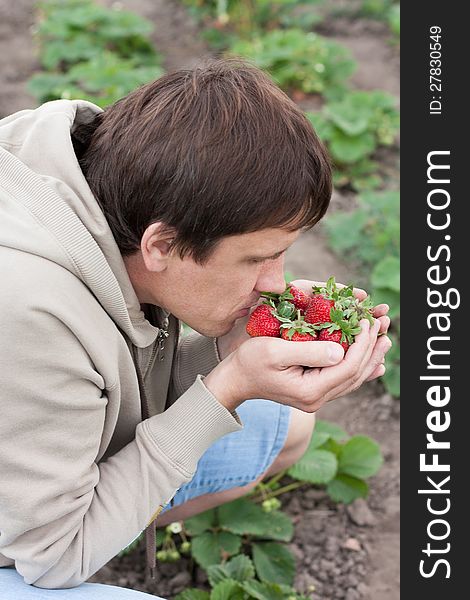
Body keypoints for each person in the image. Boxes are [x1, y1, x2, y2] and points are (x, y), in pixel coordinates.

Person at [0, 58, 391, 597]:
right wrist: (228, 387)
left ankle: (103, 526)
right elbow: (49, 557)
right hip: (36, 544)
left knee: (286, 430)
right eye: (257, 258)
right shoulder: (27, 306)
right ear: (162, 245)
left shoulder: (98, 194)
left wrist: (226, 353)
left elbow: (125, 378)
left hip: (23, 461)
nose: (276, 284)